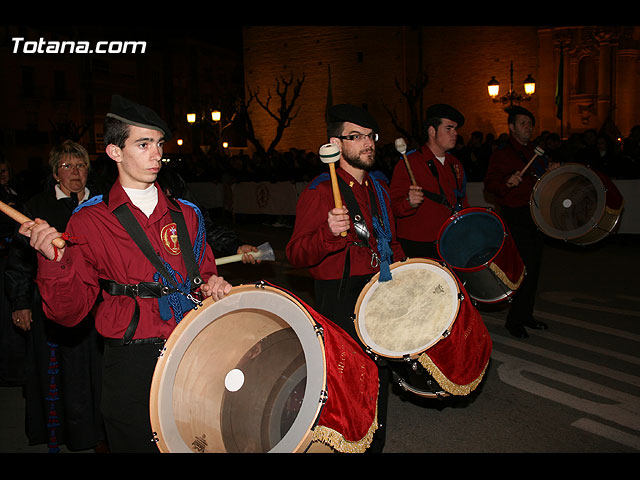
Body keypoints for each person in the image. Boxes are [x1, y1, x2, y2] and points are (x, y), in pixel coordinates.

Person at [18, 95, 232, 452]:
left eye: (159, 144)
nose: (156, 154)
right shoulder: (88, 220)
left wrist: (214, 286)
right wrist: (52, 261)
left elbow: (203, 276)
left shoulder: (187, 214)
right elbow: (69, 313)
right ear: (115, 151)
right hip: (131, 358)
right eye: (143, 144)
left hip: (191, 350)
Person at [286, 104, 405, 453]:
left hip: (378, 291)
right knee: (347, 384)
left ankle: (373, 446)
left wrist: (404, 276)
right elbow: (295, 254)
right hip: (339, 296)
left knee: (378, 376)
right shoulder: (321, 190)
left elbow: (391, 242)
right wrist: (326, 233)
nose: (367, 143)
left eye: (370, 136)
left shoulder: (379, 188)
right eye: (357, 137)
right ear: (336, 144)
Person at [5, 141, 107, 452]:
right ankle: (63, 434)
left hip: (96, 302)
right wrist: (20, 302)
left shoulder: (101, 204)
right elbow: (19, 259)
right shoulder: (37, 206)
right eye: (67, 166)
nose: (76, 172)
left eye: (81, 166)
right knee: (60, 373)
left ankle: (98, 433)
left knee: (94, 372)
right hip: (52, 302)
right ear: (55, 173)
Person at [483, 106, 559, 339]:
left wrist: (551, 172)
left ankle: (526, 314)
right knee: (521, 269)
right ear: (512, 127)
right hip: (515, 215)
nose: (528, 128)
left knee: (534, 268)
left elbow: (544, 183)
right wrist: (506, 182)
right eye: (523, 124)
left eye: (530, 124)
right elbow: (490, 185)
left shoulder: (536, 153)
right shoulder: (503, 153)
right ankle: (514, 319)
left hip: (536, 215)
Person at [389, 104, 469, 260]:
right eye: (449, 128)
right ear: (432, 131)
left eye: (455, 129)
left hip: (450, 241)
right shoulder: (409, 162)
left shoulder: (455, 164)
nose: (455, 133)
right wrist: (409, 203)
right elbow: (393, 206)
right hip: (418, 245)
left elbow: (462, 200)